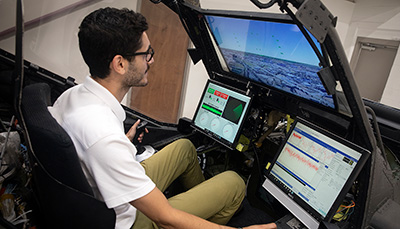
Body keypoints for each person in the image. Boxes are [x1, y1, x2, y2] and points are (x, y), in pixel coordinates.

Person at [49, 7, 277, 229]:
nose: (151, 61)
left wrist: (120, 146)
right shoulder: (103, 136)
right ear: (120, 64)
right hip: (128, 221)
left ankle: (205, 205)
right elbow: (165, 217)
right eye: (146, 54)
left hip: (104, 194)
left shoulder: (72, 96)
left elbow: (92, 152)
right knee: (234, 183)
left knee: (185, 149)